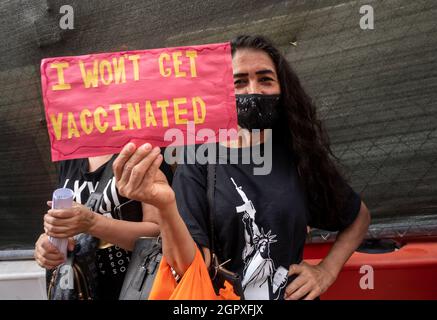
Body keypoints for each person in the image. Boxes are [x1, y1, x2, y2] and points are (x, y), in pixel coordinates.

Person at [111, 35, 371, 300]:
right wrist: (165, 207)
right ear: (224, 89)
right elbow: (187, 266)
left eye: (265, 79)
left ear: (282, 88)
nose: (253, 90)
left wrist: (326, 271)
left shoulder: (298, 152)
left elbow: (358, 216)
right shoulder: (200, 157)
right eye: (240, 81)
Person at [34, 154, 173, 299]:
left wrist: (92, 223)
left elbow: (159, 234)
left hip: (137, 287)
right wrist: (46, 244)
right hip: (83, 288)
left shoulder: (143, 153)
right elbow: (66, 221)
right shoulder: (70, 154)